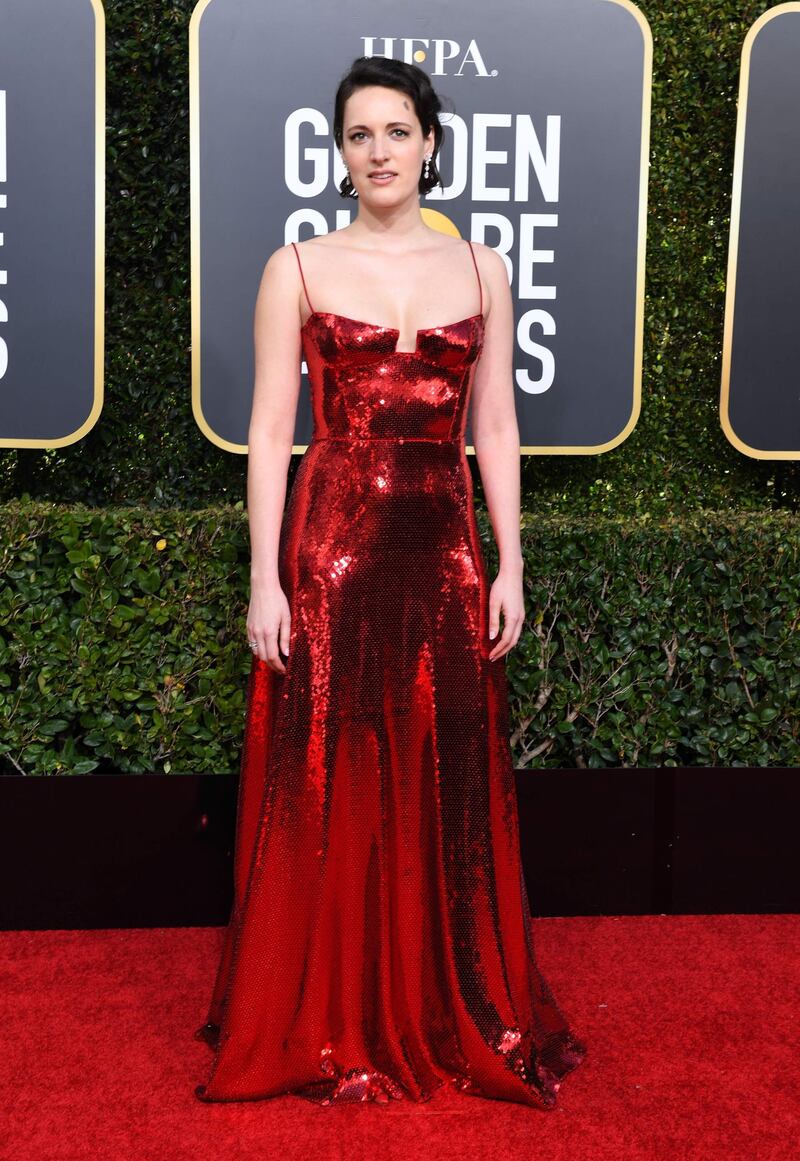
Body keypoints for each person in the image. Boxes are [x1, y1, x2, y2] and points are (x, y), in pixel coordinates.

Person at [195, 55, 587, 1109]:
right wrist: (266, 584)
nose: (379, 151)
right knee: (328, 770)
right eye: (359, 134)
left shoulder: (484, 269)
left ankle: (441, 996)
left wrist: (509, 559)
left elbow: (494, 424)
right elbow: (270, 431)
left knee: (445, 777)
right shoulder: (299, 267)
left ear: (428, 144)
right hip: (330, 554)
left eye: (396, 131)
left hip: (446, 551)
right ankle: (329, 1013)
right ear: (340, 153)